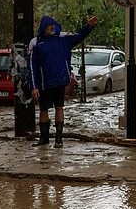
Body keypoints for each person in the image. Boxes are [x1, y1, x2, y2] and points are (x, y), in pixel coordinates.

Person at [27, 15, 98, 147]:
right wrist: (34, 86)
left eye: (53, 25)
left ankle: (59, 139)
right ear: (43, 27)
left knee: (59, 108)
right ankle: (44, 138)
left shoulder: (63, 38)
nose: (52, 27)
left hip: (60, 82)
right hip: (44, 83)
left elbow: (78, 36)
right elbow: (31, 66)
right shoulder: (35, 43)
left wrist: (89, 27)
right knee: (43, 110)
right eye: (49, 25)